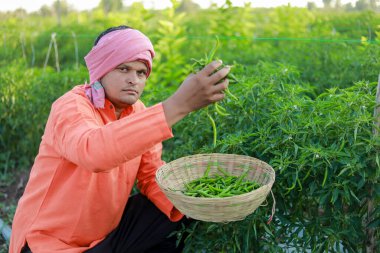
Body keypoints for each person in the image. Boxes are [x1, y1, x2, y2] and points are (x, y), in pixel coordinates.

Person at [9, 25, 230, 253]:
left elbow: (150, 175)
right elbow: (93, 151)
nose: (133, 79)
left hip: (104, 238)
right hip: (48, 245)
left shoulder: (139, 112)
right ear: (101, 69)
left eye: (141, 72)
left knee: (169, 215)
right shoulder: (72, 106)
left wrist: (194, 202)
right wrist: (178, 105)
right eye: (123, 69)